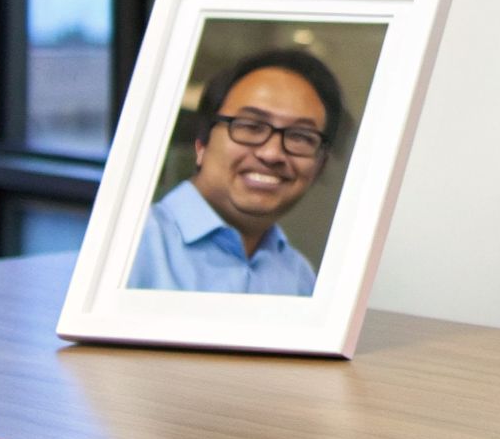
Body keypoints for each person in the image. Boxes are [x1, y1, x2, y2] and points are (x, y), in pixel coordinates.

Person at [129, 49, 344, 296]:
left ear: (319, 166)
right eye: (251, 127)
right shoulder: (130, 245)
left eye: (301, 137)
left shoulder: (299, 277)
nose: (272, 154)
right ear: (201, 143)